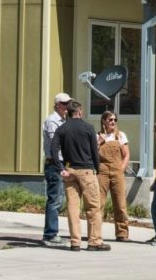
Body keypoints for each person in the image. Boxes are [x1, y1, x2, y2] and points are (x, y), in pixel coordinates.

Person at [50, 100, 110, 252]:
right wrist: (96, 169)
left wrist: (60, 168)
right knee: (93, 207)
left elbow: (53, 149)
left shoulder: (62, 129)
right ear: (80, 111)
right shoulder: (88, 128)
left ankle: (75, 242)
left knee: (73, 208)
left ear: (67, 112)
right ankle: (94, 241)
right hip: (87, 171)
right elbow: (94, 152)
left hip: (70, 170)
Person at [41, 93, 71, 247]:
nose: (67, 107)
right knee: (54, 200)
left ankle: (52, 233)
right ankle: (50, 235)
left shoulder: (63, 121)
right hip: (54, 163)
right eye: (65, 104)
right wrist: (60, 167)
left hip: (59, 163)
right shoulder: (52, 121)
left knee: (58, 200)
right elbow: (55, 146)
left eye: (68, 104)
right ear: (58, 104)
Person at [97, 111, 130, 242]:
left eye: (115, 120)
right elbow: (93, 153)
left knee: (120, 203)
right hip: (102, 170)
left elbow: (126, 154)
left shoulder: (120, 136)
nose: (113, 122)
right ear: (104, 121)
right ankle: (96, 232)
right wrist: (99, 142)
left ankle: (122, 233)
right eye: (110, 120)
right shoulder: (97, 136)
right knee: (99, 203)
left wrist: (121, 168)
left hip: (117, 170)